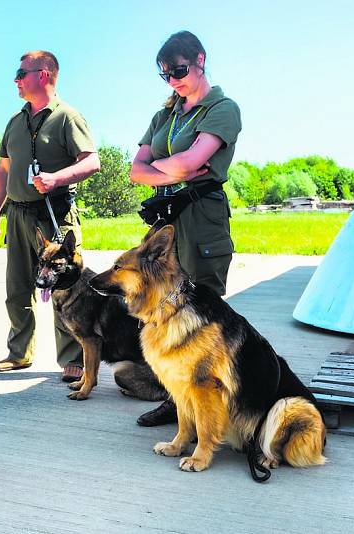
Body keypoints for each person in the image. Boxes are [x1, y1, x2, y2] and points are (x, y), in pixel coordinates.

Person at [129, 31, 242, 425]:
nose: (173, 79)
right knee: (163, 307)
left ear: (200, 59)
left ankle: (208, 408)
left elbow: (170, 166)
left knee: (203, 314)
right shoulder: (165, 116)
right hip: (166, 217)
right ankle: (176, 402)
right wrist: (177, 169)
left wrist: (164, 170)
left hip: (202, 216)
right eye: (165, 74)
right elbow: (135, 170)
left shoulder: (222, 109)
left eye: (178, 70)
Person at [0, 51, 100, 381]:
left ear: (45, 74)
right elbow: (3, 170)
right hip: (18, 216)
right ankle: (19, 353)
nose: (16, 79)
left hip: (54, 214)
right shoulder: (15, 121)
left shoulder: (67, 117)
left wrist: (55, 178)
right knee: (18, 287)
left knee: (65, 287)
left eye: (22, 72)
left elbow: (91, 162)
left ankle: (73, 358)